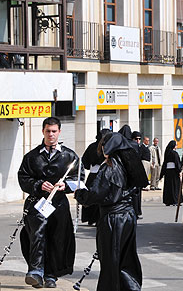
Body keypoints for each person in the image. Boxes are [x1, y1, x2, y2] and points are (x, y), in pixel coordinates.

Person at [75, 132, 147, 291]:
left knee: (110, 261)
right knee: (126, 259)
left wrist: (80, 194)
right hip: (128, 216)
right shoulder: (129, 164)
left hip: (113, 219)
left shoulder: (110, 167)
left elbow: (96, 194)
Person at [18, 117, 82, 289]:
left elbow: (80, 179)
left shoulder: (69, 156)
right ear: (43, 131)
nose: (51, 134)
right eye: (48, 131)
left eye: (54, 131)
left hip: (59, 205)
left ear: (59, 132)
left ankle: (51, 275)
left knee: (57, 239)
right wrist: (38, 185)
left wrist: (66, 185)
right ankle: (36, 271)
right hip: (36, 204)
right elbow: (23, 178)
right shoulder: (31, 157)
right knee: (36, 235)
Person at [81, 128, 110, 226]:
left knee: (91, 195)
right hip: (104, 174)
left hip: (92, 174)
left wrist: (89, 165)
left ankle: (90, 218)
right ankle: (98, 219)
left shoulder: (91, 146)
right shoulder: (109, 146)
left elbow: (85, 160)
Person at [159, 141, 182, 206]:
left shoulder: (167, 153)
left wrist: (162, 173)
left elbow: (165, 163)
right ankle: (175, 200)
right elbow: (177, 163)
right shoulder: (174, 153)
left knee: (168, 187)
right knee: (175, 186)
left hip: (168, 172)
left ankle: (168, 201)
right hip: (174, 172)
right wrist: (179, 170)